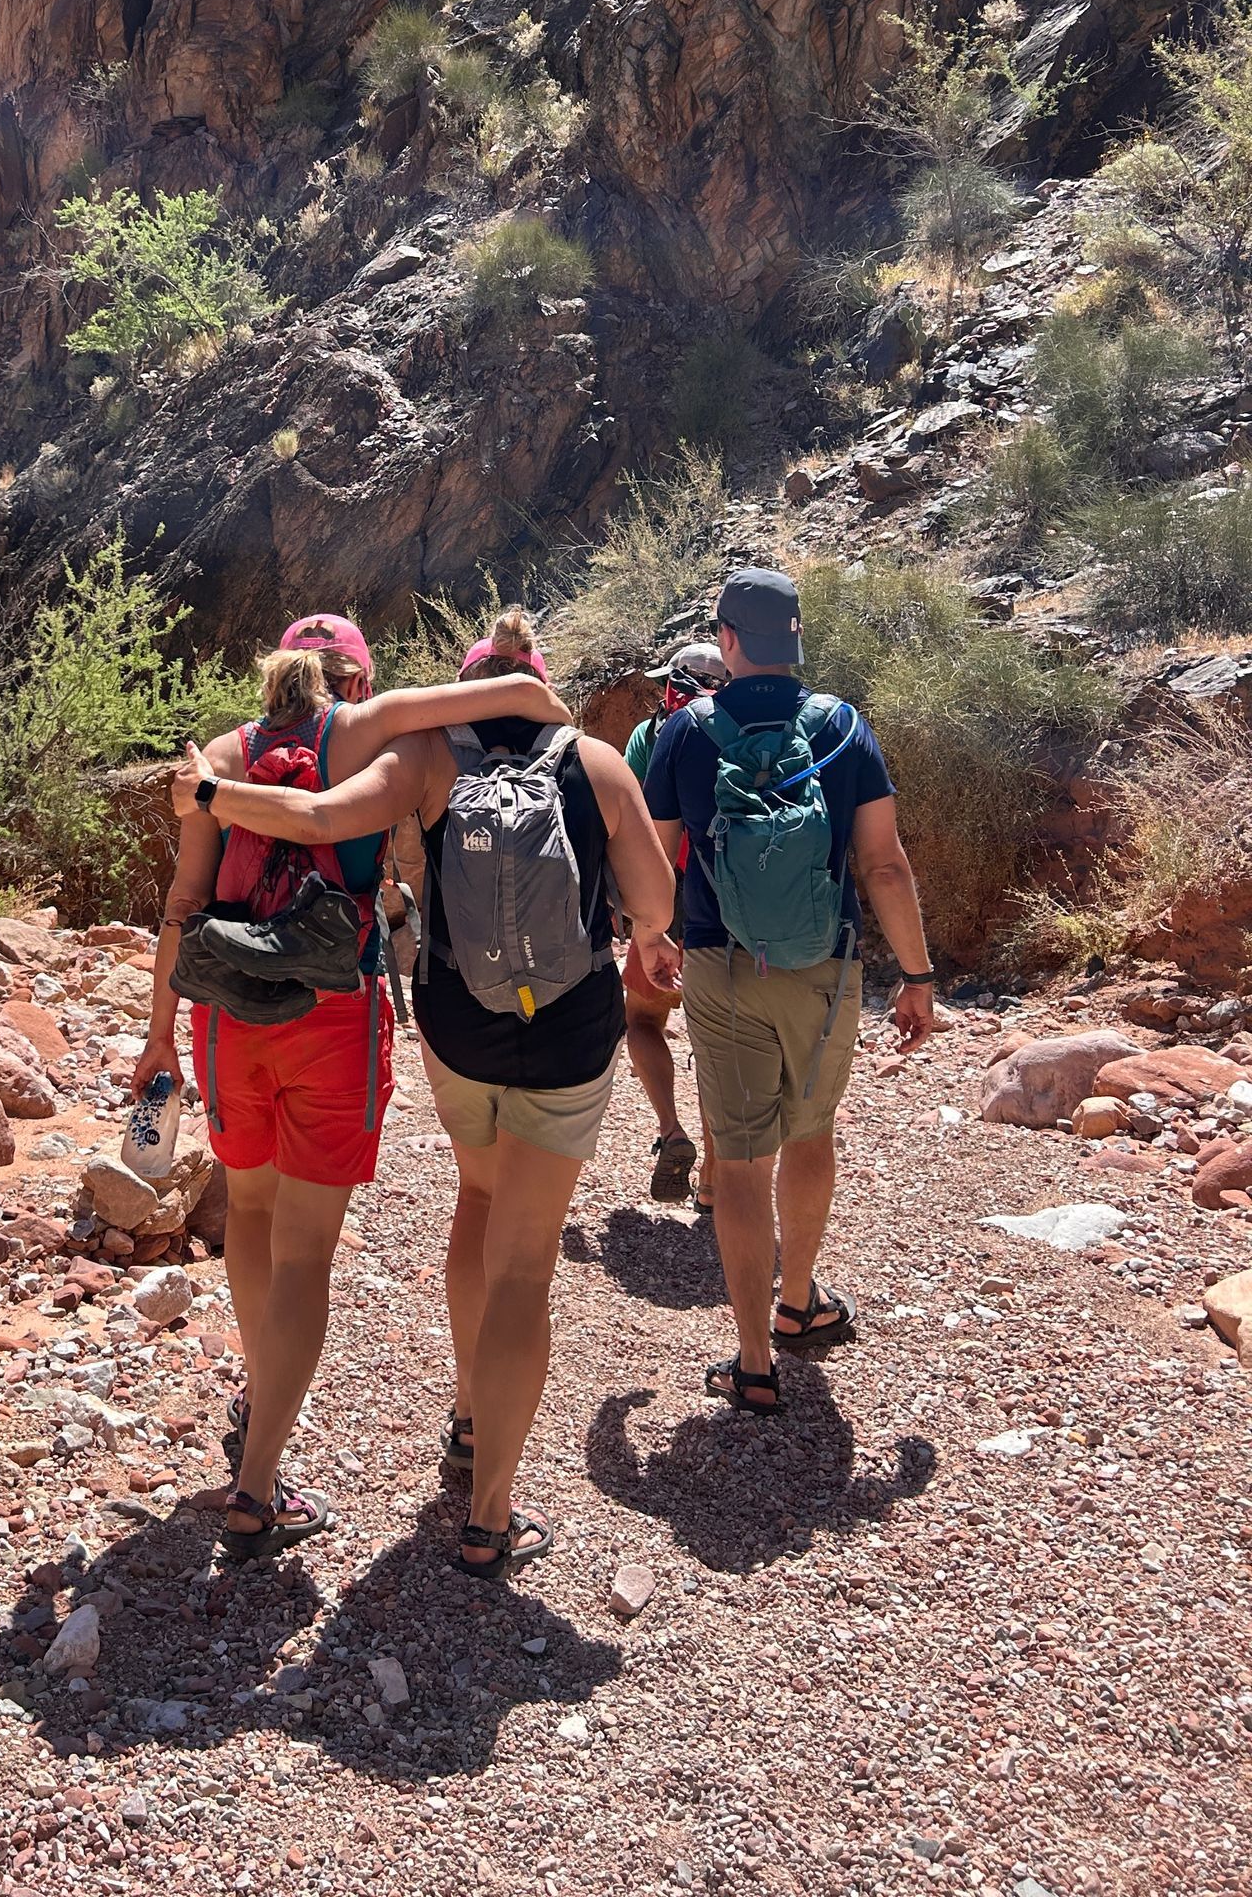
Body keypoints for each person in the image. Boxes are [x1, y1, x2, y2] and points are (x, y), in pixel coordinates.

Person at [170, 611, 678, 1578]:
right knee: (524, 1264)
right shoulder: (591, 761)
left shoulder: (421, 761)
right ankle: (487, 1504)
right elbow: (655, 909)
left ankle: (365, 1412)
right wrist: (642, 934)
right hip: (556, 1032)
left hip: (438, 1029)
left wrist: (213, 797)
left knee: (457, 1201)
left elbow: (283, 847)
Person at [642, 567, 937, 1417]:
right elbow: (882, 863)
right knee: (810, 1133)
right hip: (823, 966)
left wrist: (651, 939)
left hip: (720, 964)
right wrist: (916, 978)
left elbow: (657, 860)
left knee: (738, 1159)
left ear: (725, 639)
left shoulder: (689, 731)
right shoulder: (842, 726)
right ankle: (799, 1299)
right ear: (797, 634)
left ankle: (752, 1358)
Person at [619, 641, 727, 1206]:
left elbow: (633, 822)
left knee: (641, 1020)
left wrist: (634, 909)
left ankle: (670, 1128)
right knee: (714, 1042)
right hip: (726, 908)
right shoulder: (747, 730)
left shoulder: (651, 734)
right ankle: (712, 1178)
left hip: (666, 902)